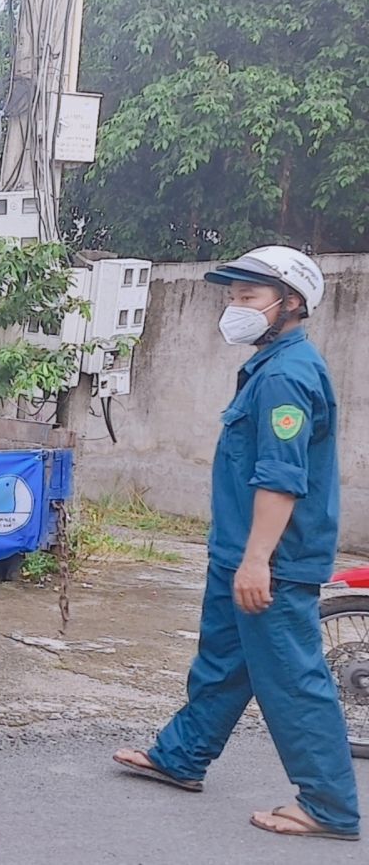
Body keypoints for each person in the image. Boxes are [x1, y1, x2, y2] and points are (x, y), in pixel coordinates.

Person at [112, 245, 359, 842]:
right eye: (232, 296)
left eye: (248, 297)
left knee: (293, 678)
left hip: (269, 558)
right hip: (240, 551)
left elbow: (281, 477)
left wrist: (257, 562)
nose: (235, 307)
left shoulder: (286, 375)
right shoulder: (268, 365)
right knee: (223, 663)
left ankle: (329, 805)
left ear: (291, 304)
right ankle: (182, 756)